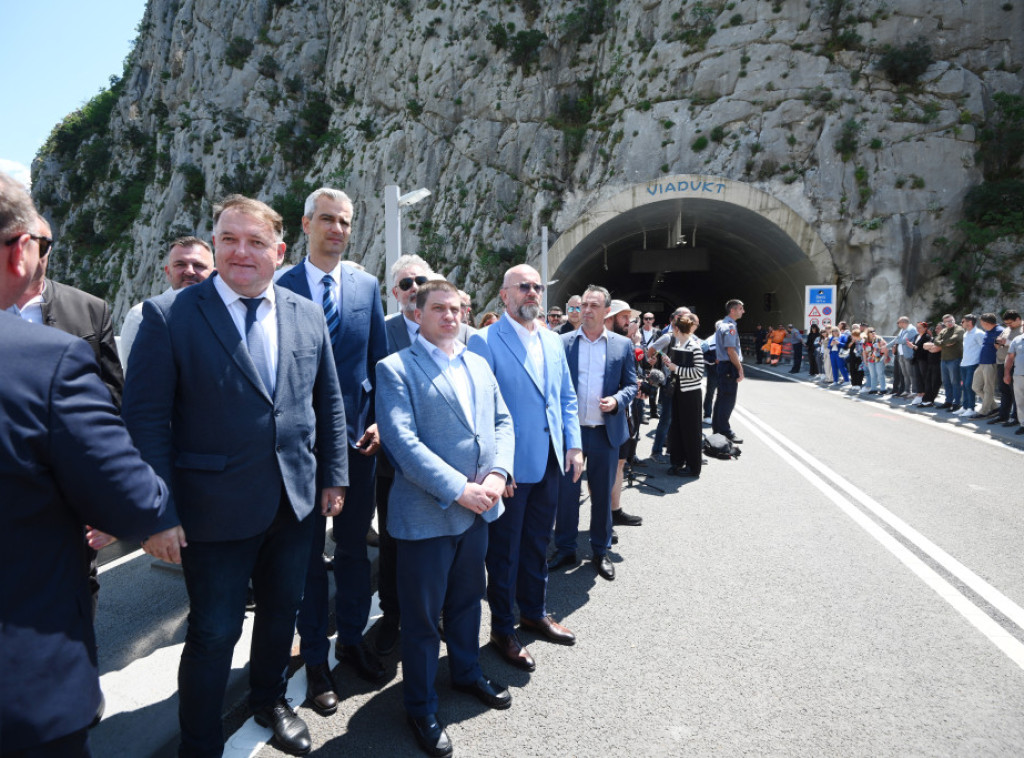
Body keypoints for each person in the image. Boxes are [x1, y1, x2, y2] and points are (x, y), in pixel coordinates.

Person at [122, 195, 349, 757]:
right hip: (212, 510)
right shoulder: (169, 315)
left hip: (294, 503)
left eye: (254, 242)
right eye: (228, 239)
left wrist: (334, 476)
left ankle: (269, 699)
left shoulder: (306, 313)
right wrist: (157, 514)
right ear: (216, 242)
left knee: (280, 615)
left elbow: (330, 402)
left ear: (279, 250)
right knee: (214, 632)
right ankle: (198, 744)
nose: (239, 252)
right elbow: (145, 423)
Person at [1, 173, 169, 758]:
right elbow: (133, 497)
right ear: (23, 248)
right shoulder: (42, 362)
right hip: (24, 673)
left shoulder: (83, 314)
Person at [376, 280, 515, 758]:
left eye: (457, 309)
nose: (450, 316)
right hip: (428, 516)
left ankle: (467, 672)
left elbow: (502, 421)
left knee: (466, 602)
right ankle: (419, 705)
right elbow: (402, 443)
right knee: (419, 620)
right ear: (417, 314)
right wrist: (460, 489)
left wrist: (498, 474)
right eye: (439, 308)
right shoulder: (395, 368)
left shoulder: (477, 362)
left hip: (478, 510)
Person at [276, 187, 389, 712]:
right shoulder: (279, 286)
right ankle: (315, 660)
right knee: (304, 560)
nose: (337, 229)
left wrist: (380, 427)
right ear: (305, 224)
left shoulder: (366, 287)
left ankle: (350, 642)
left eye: (345, 221)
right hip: (300, 451)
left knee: (350, 553)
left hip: (358, 447)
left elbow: (380, 367)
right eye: (327, 219)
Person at [468, 265, 583, 672]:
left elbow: (566, 396)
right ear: (505, 296)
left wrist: (574, 445)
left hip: (551, 459)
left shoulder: (552, 341)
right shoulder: (485, 341)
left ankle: (534, 611)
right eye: (524, 287)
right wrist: (499, 467)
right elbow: (482, 412)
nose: (533, 292)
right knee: (504, 552)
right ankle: (503, 627)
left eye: (537, 286)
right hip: (510, 471)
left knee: (538, 542)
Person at [551, 286, 637, 581]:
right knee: (567, 493)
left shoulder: (620, 346)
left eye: (593, 305)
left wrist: (617, 400)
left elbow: (632, 385)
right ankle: (565, 547)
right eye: (582, 305)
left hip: (604, 432)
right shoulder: (561, 343)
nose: (585, 310)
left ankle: (600, 550)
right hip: (570, 434)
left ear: (606, 311)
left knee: (602, 494)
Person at [14, 215, 124, 407]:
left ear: (49, 250)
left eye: (39, 246)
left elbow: (113, 392)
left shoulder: (92, 309)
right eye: (21, 245)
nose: (29, 256)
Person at [119, 237, 215, 364]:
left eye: (199, 265)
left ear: (213, 274)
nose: (190, 271)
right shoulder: (141, 316)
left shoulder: (224, 315)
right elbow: (134, 377)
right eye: (180, 264)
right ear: (168, 272)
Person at [605, 300, 645, 529]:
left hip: (624, 415)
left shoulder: (626, 344)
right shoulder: (600, 343)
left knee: (620, 463)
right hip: (605, 417)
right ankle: (603, 519)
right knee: (605, 468)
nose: (628, 322)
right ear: (610, 317)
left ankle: (615, 510)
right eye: (624, 317)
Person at [661, 313, 705, 477]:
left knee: (691, 430)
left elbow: (699, 372)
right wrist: (669, 365)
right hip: (679, 391)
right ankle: (677, 461)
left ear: (677, 329)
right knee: (677, 428)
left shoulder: (694, 347)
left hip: (691, 394)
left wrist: (675, 368)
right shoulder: (680, 345)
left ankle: (693, 467)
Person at [712, 299, 745, 444]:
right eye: (740, 309)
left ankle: (717, 429)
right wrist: (740, 368)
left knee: (721, 398)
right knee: (728, 400)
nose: (743, 311)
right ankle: (725, 431)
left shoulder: (722, 325)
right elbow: (731, 351)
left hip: (723, 366)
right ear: (733, 310)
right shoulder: (730, 327)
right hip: (728, 366)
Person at [992, 310, 1022, 426]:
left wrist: (1005, 342)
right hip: (1001, 363)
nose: (1008, 325)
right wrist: (998, 342)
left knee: (1015, 393)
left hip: (1014, 365)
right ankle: (1003, 415)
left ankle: (1015, 417)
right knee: (1004, 391)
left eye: (1010, 323)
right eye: (1006, 323)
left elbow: (1018, 345)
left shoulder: (1022, 329)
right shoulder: (1007, 329)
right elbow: (997, 342)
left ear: (1018, 319)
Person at [973, 313, 1005, 417]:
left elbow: (1002, 349)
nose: (981, 324)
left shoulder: (1000, 331)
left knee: (988, 388)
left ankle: (984, 411)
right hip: (982, 363)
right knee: (976, 387)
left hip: (991, 363)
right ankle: (995, 407)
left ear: (986, 323)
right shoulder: (988, 331)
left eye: (982, 323)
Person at [930, 314, 964, 411]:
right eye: (947, 322)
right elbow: (936, 340)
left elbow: (953, 340)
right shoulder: (944, 330)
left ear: (954, 320)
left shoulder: (959, 329)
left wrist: (942, 343)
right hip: (944, 360)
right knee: (946, 382)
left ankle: (957, 403)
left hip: (955, 359)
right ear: (944, 323)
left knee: (955, 382)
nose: (949, 323)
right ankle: (948, 401)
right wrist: (946, 343)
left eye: (951, 320)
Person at [957, 314, 984, 417]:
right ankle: (965, 406)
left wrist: (980, 363)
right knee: (964, 385)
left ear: (969, 322)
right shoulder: (966, 334)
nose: (961, 323)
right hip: (964, 363)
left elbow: (983, 348)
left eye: (963, 321)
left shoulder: (979, 333)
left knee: (969, 385)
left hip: (973, 363)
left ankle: (971, 408)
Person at [1004, 328, 1024, 435]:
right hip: (1018, 375)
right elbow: (1010, 357)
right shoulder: (1017, 339)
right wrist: (1007, 373)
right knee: (1020, 401)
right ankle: (1023, 425)